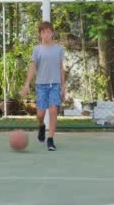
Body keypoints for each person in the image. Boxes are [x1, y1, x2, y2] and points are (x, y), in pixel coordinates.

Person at [20, 21, 65, 151]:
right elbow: (32, 67)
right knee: (40, 114)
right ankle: (41, 126)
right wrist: (27, 84)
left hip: (55, 84)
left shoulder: (59, 49)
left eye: (49, 32)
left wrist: (63, 86)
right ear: (40, 34)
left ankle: (50, 139)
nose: (46, 34)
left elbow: (62, 68)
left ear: (52, 33)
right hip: (41, 85)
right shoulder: (37, 49)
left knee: (53, 110)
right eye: (44, 32)